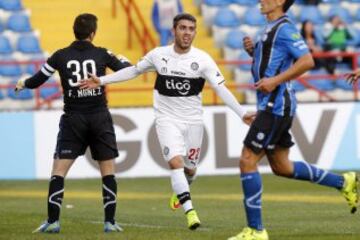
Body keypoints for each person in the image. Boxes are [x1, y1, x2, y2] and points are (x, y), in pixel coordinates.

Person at [79, 13, 255, 230]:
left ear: (195, 32)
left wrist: (241, 112)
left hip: (193, 122)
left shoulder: (203, 60)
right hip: (166, 119)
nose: (187, 33)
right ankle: (190, 212)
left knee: (190, 169)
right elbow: (134, 70)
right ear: (173, 31)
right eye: (183, 28)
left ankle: (182, 189)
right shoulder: (158, 55)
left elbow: (221, 88)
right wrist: (102, 80)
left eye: (191, 29)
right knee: (175, 163)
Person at [228, 1, 359, 240]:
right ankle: (344, 181)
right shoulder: (270, 27)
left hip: (275, 105)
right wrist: (253, 52)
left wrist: (275, 81)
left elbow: (307, 61)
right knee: (282, 167)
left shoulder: (285, 28)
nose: (261, 0)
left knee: (247, 160)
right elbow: (270, 64)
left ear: (279, 2)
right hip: (271, 104)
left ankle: (256, 231)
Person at [15, 13, 131, 233]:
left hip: (73, 119)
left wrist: (24, 83)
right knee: (107, 171)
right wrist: (124, 59)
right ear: (93, 33)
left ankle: (53, 221)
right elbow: (127, 71)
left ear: (74, 31)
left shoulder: (60, 55)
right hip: (99, 117)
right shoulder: (102, 53)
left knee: (58, 171)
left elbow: (38, 79)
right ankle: (110, 222)